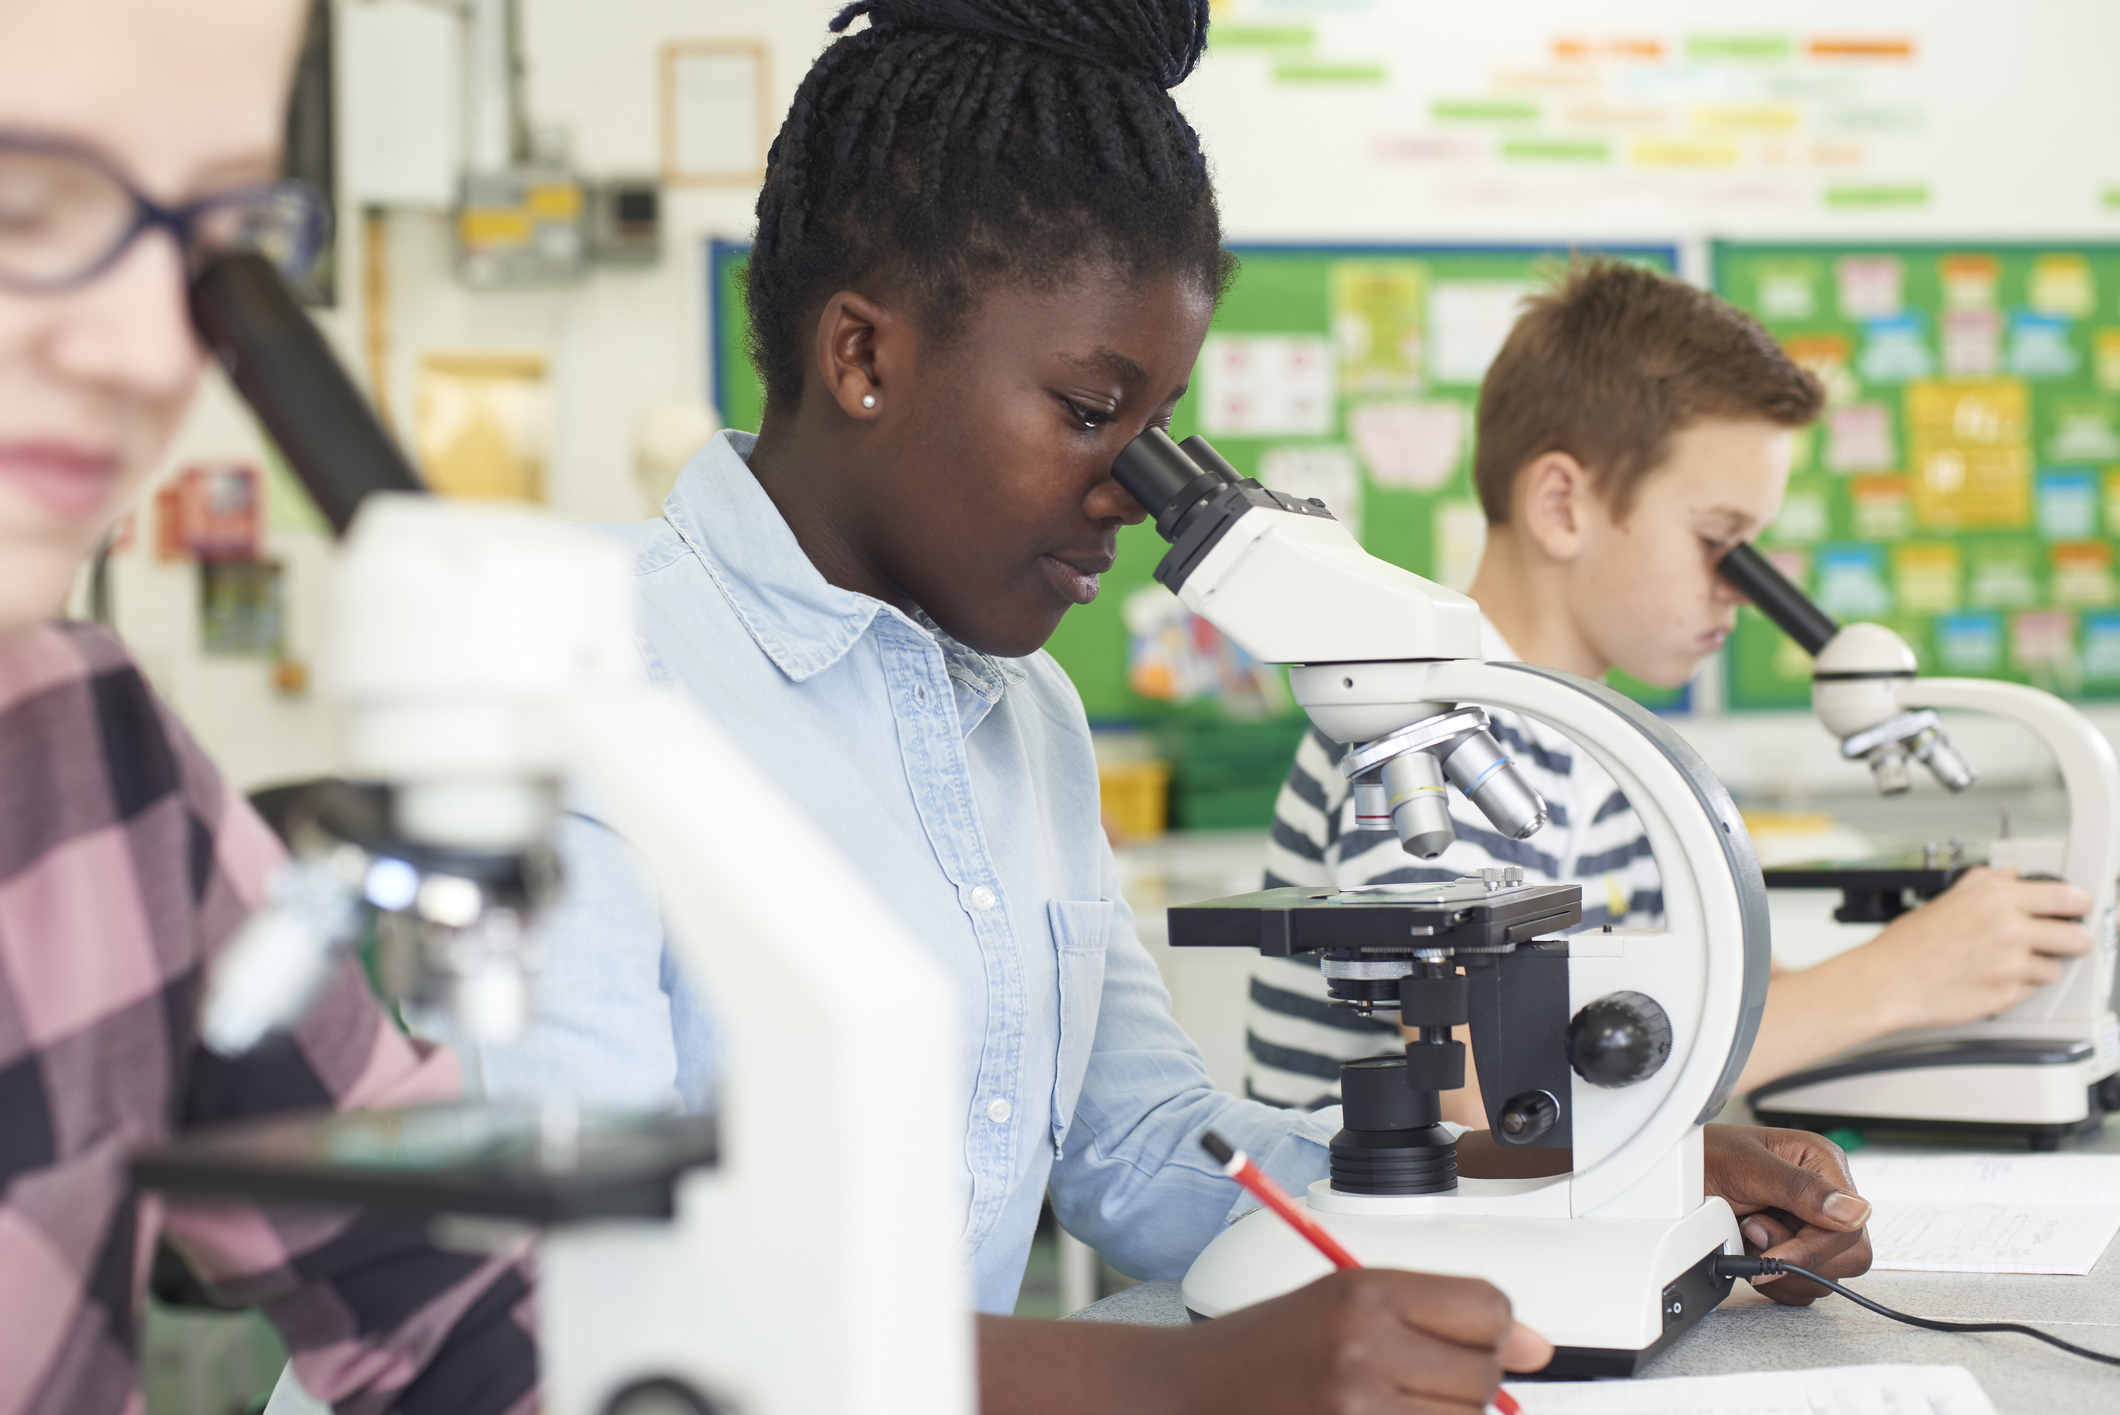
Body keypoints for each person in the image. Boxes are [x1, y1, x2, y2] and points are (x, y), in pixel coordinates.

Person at [443, 5, 1873, 1407]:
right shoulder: (571, 679)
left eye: (1160, 423)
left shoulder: (1030, 717)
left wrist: (1595, 1181)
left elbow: (1141, 1145)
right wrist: (1175, 1378)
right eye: (1088, 406)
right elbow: (574, 1296)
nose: (1136, 487)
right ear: (863, 356)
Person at [0, 1, 536, 1410]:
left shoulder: (95, 753)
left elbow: (450, 1291)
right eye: (18, 205)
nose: (141, 350)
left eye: (214, 244)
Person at [1246, 260, 2096, 1142]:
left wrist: (1946, 977)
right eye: (1719, 542)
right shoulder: (1430, 729)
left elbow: (1661, 1016)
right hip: (1388, 1256)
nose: (1743, 589)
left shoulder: (1597, 743)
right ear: (1563, 506)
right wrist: (1891, 981)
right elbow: (1486, 1090)